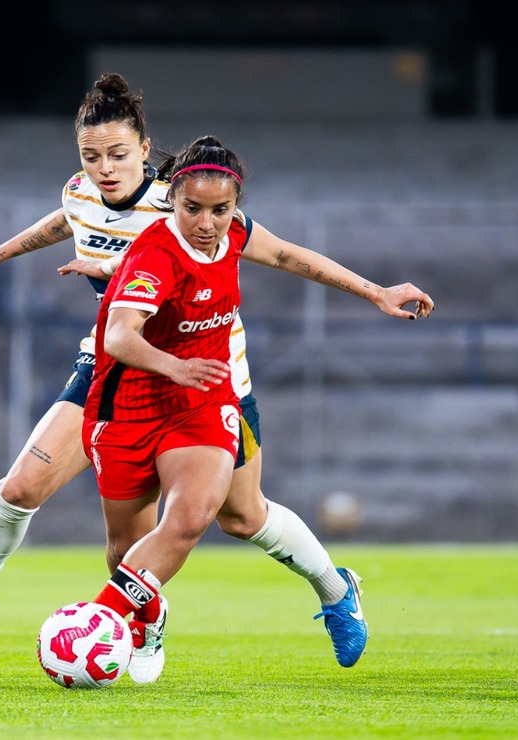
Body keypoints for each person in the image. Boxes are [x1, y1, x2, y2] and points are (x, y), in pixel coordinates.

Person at [0, 75, 432, 677]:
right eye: (91, 156)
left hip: (208, 377)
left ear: (146, 149)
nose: (104, 168)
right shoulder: (80, 191)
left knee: (242, 517)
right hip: (117, 368)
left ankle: (335, 589)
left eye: (118, 154)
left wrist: (376, 290)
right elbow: (67, 219)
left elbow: (282, 254)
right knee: (26, 491)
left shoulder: (188, 204)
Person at [82, 135, 426, 679]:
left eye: (221, 210)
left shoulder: (236, 231)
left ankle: (93, 626)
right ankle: (144, 622)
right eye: (193, 208)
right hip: (128, 408)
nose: (207, 222)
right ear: (172, 197)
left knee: (198, 516)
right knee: (132, 547)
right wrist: (173, 364)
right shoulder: (156, 254)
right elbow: (120, 338)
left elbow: (291, 255)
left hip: (206, 399)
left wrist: (375, 291)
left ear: (236, 206)